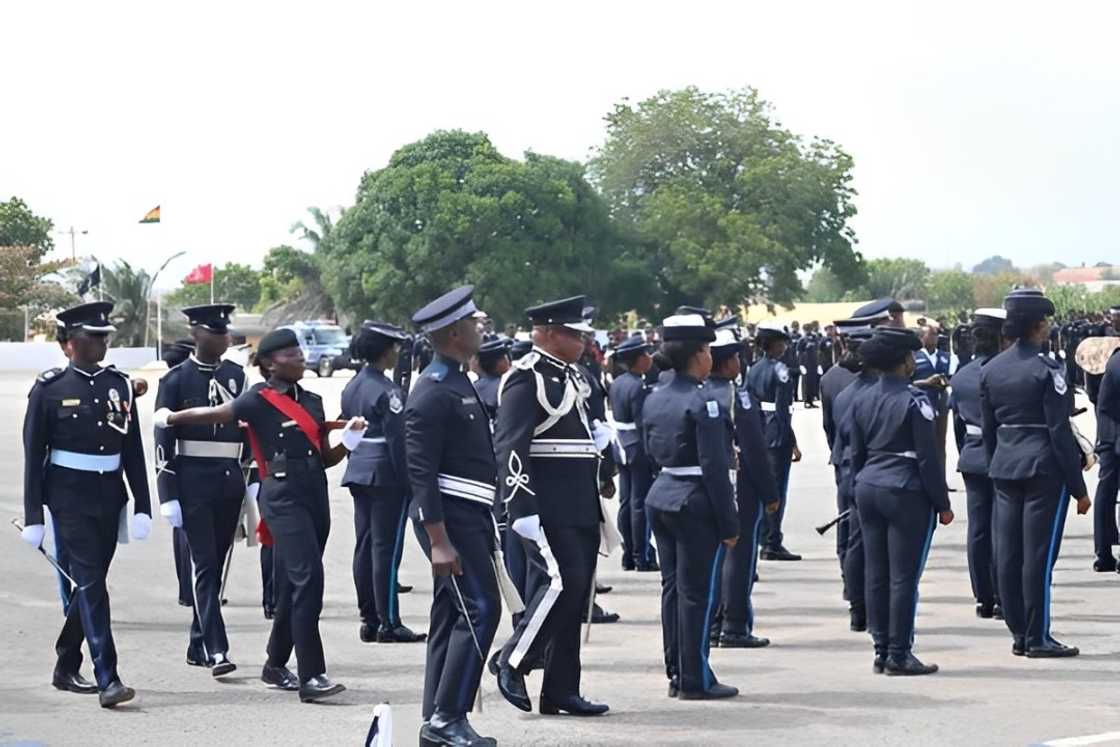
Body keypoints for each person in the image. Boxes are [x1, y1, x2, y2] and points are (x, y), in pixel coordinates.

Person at [155, 327, 363, 701]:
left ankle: (275, 663)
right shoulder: (256, 400)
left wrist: (347, 443)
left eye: (300, 352)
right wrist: (170, 419)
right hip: (281, 498)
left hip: (314, 494)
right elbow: (212, 413)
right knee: (309, 580)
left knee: (290, 585)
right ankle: (312, 675)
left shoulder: (313, 402)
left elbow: (323, 457)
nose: (299, 358)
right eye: (290, 354)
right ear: (269, 363)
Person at [21, 301, 153, 708]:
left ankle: (65, 663)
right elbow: (33, 456)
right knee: (93, 585)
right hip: (68, 496)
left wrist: (143, 504)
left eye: (104, 337)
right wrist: (33, 517)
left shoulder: (118, 385)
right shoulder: (48, 390)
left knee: (88, 584)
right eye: (92, 338)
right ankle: (107, 678)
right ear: (67, 345)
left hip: (108, 493)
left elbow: (132, 448)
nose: (101, 344)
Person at [493, 295, 611, 717]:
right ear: (543, 333)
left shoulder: (576, 378)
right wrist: (520, 506)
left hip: (579, 502)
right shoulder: (526, 379)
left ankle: (561, 689)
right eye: (570, 333)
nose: (579, 341)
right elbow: (511, 446)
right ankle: (513, 660)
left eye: (580, 334)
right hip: (545, 504)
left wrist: (605, 462)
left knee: (575, 595)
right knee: (560, 585)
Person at [404, 286, 501, 746]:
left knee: (452, 613)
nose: (481, 328)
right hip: (450, 517)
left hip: (471, 513)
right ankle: (448, 718)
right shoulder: (432, 391)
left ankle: (435, 715)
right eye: (474, 324)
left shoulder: (458, 379)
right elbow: (420, 474)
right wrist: (437, 539)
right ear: (453, 333)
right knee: (481, 610)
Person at [981, 288, 1091, 658]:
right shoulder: (1048, 369)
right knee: (1038, 557)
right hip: (1043, 467)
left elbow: (989, 430)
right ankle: (1037, 636)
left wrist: (998, 464)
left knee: (1008, 554)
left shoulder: (992, 369)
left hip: (1005, 467)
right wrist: (1078, 488)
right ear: (1037, 326)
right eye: (1045, 322)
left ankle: (1018, 632)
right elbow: (1059, 432)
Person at [642, 312, 740, 699]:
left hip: (663, 492)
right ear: (699, 354)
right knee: (697, 593)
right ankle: (694, 678)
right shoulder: (706, 402)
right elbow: (716, 468)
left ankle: (676, 671)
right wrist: (730, 523)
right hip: (695, 498)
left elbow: (653, 452)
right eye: (707, 350)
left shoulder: (655, 397)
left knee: (672, 589)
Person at [848, 327, 953, 675]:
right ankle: (899, 652)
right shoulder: (914, 401)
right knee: (904, 576)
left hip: (869, 486)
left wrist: (859, 487)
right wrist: (942, 503)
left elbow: (858, 453)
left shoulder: (860, 398)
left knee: (876, 572)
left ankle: (881, 648)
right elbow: (927, 459)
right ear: (904, 362)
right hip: (904, 489)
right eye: (911, 357)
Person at [153, 304, 250, 676]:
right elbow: (163, 435)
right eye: (217, 331)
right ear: (196, 333)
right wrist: (168, 493)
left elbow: (248, 430)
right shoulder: (176, 380)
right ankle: (216, 649)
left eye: (226, 331)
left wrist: (252, 480)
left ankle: (197, 641)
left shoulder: (237, 376)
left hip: (228, 478)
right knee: (205, 565)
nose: (225, 337)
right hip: (191, 478)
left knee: (217, 564)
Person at [340, 321, 427, 644]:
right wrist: (411, 481)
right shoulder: (387, 390)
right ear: (384, 350)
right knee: (386, 551)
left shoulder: (353, 385)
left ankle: (369, 618)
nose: (397, 354)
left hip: (360, 469)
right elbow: (398, 443)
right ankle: (389, 621)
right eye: (394, 348)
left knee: (365, 546)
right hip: (385, 474)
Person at [706, 320, 779, 648]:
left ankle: (713, 621)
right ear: (728, 361)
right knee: (741, 554)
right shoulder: (740, 397)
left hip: (709, 484)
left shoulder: (699, 391)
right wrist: (770, 493)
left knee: (715, 556)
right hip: (742, 485)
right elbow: (755, 450)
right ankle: (734, 624)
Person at [948, 308, 1007, 617]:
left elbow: (958, 425)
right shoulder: (1001, 371)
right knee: (1000, 529)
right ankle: (1000, 595)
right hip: (1000, 455)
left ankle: (982, 596)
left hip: (972, 456)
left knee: (978, 529)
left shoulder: (961, 376)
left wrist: (967, 451)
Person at [825, 319, 880, 630]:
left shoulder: (832, 378)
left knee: (848, 533)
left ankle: (852, 591)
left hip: (842, 462)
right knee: (864, 539)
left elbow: (828, 428)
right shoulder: (872, 387)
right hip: (868, 466)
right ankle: (863, 604)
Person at [747, 320, 802, 561]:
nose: (784, 347)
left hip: (759, 429)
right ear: (773, 345)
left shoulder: (753, 368)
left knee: (762, 487)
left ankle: (762, 535)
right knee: (777, 489)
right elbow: (783, 409)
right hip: (776, 432)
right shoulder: (779, 370)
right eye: (781, 343)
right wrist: (791, 439)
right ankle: (773, 541)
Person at [609, 335, 657, 572]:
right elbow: (644, 424)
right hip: (637, 446)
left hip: (621, 445)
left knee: (626, 501)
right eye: (646, 355)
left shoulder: (618, 382)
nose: (650, 358)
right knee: (640, 503)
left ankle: (629, 553)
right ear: (638, 360)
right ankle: (642, 555)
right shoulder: (638, 386)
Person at [1094, 318, 1120, 572]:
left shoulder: (1113, 359)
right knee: (1106, 495)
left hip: (1109, 436)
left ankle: (1103, 553)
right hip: (1115, 438)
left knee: (1106, 494)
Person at [913, 324, 952, 471]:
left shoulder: (946, 356)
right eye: (932, 334)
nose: (935, 337)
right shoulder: (914, 356)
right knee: (923, 443)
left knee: (940, 442)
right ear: (922, 337)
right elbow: (907, 382)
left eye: (936, 334)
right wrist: (927, 382)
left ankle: (941, 477)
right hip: (922, 402)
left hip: (941, 401)